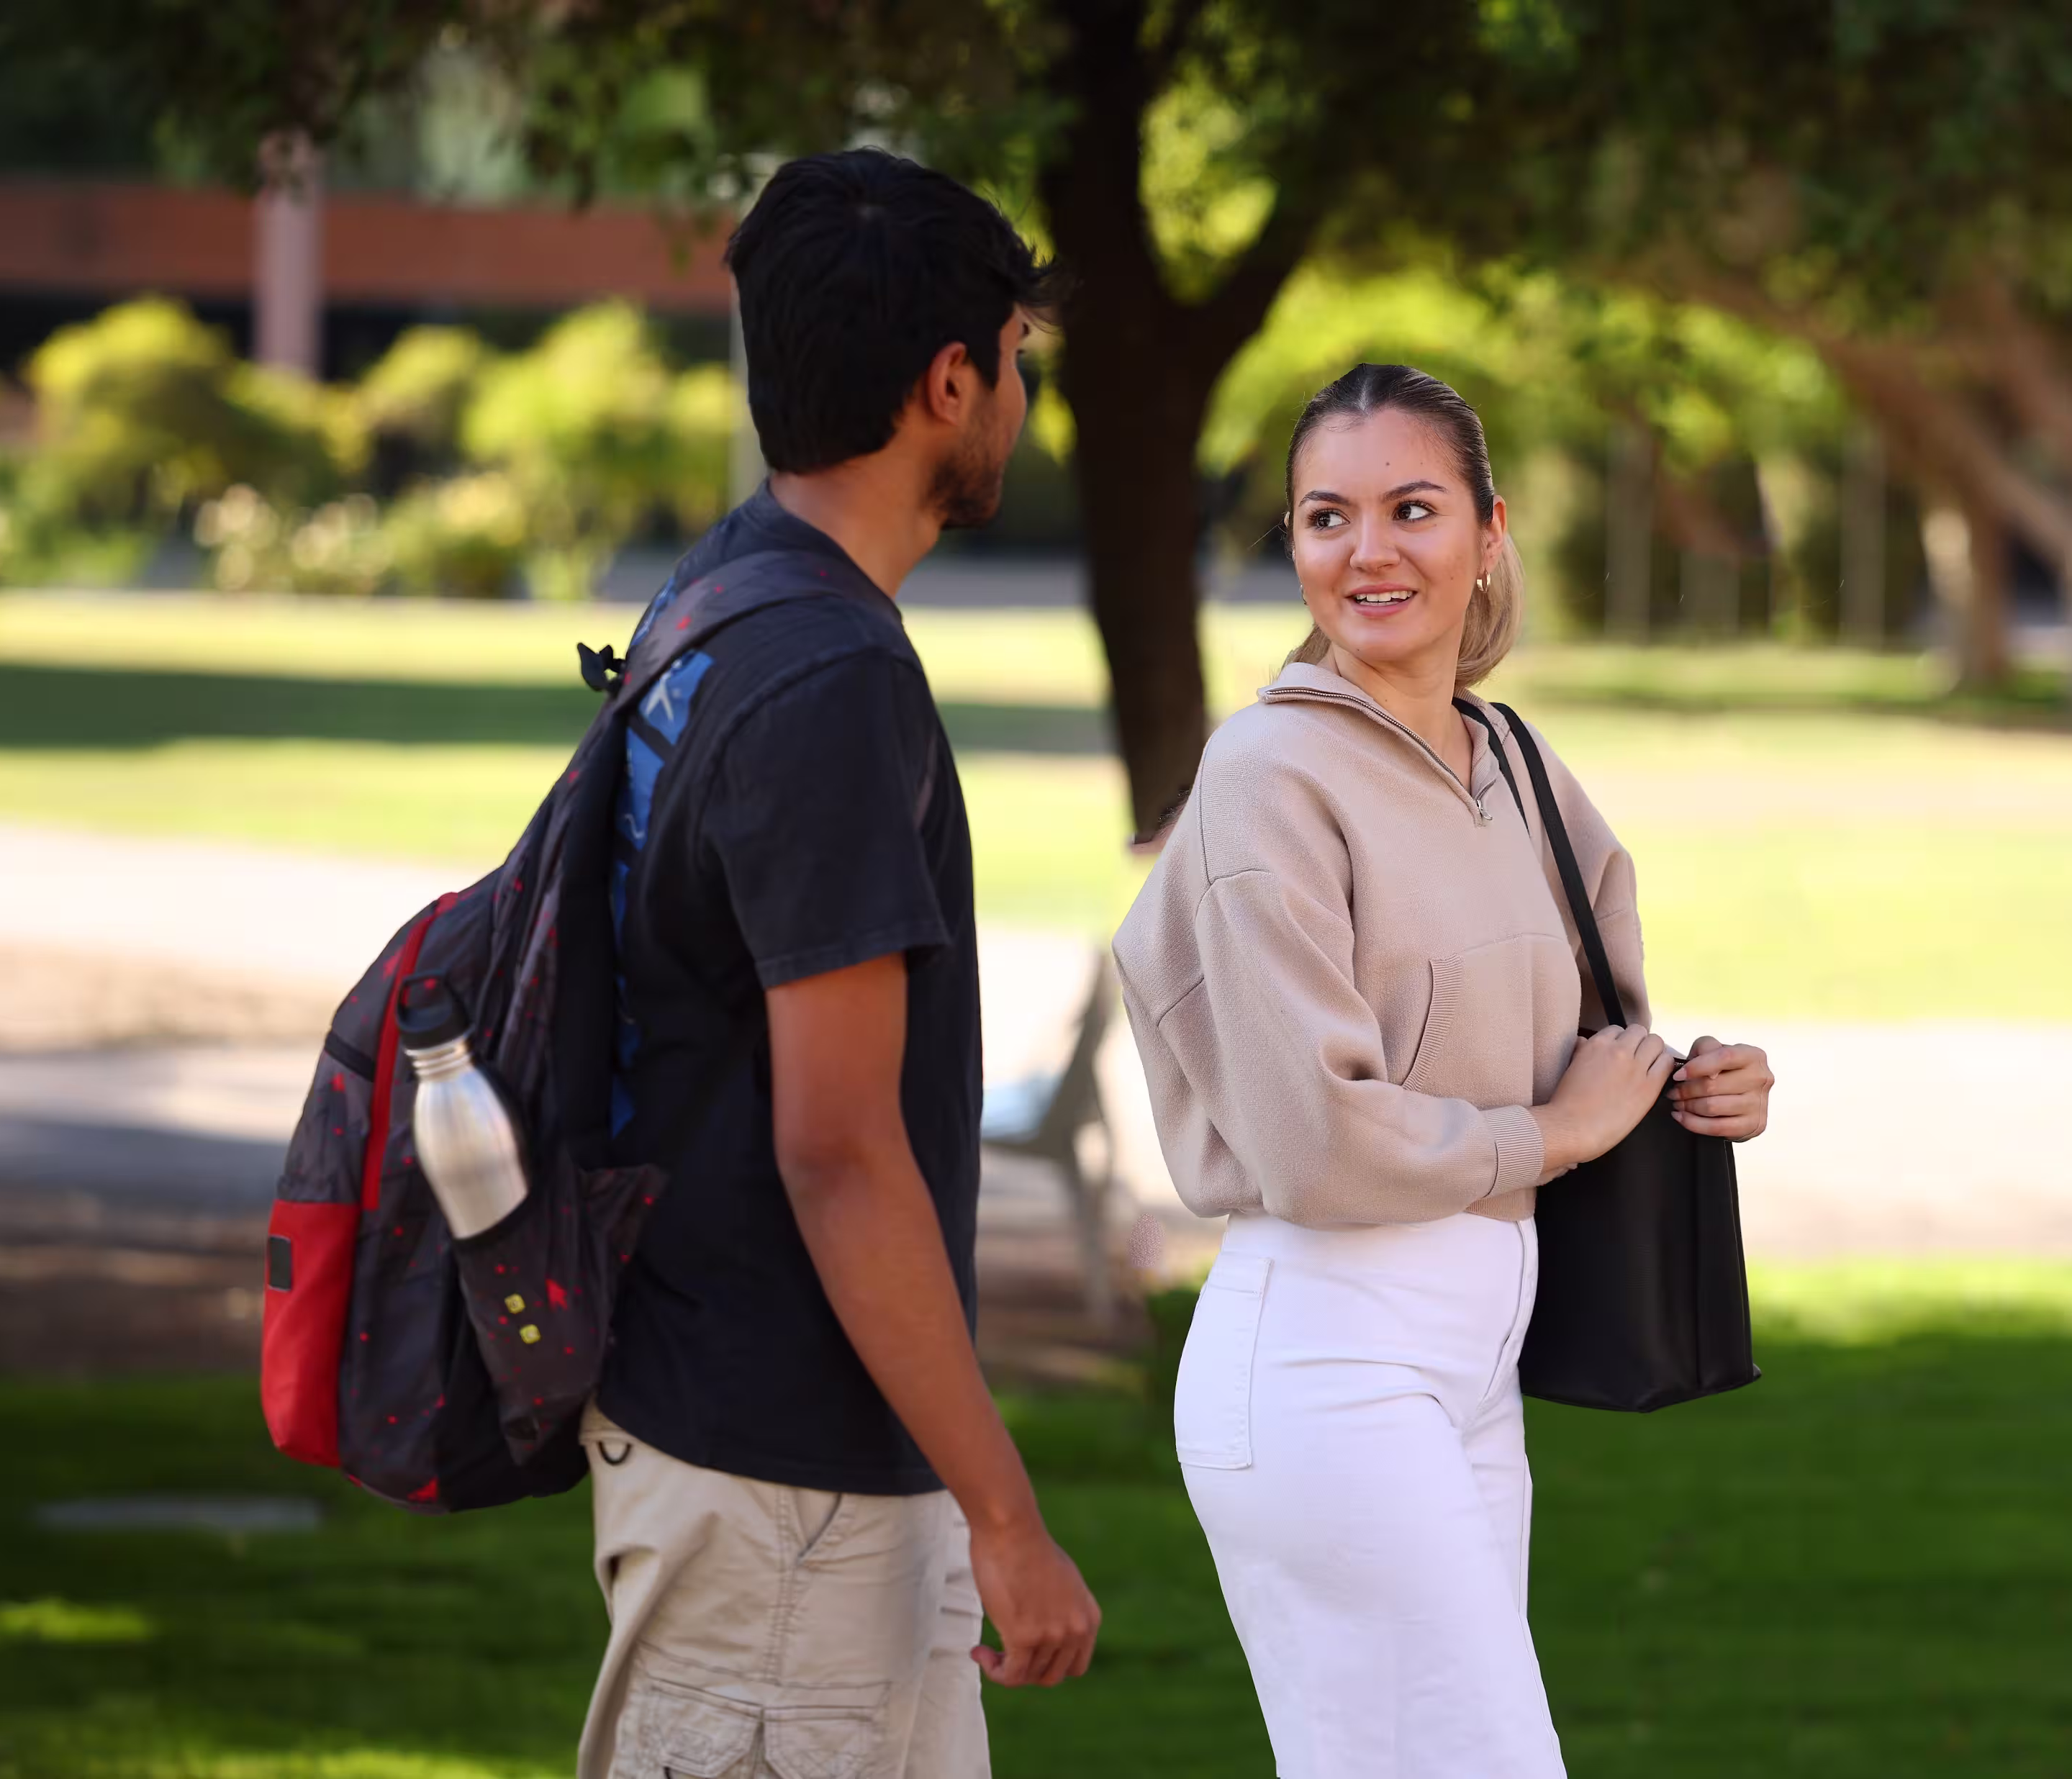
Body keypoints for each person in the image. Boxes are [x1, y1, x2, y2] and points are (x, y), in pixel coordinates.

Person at [1111, 363, 1779, 1776]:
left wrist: (1686, 1085)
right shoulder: (1269, 778)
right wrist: (1555, 1136)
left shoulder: (1513, 760)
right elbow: (1315, 1137)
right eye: (1325, 517)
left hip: (1470, 1360)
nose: (1367, 552)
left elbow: (1583, 1052)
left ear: (1488, 531)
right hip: (1326, 1352)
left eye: (1412, 509)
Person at [574, 148, 1100, 1779]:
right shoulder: (825, 680)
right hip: (789, 1500)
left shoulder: (721, 598)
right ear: (950, 383)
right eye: (1015, 363)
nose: (1021, 395)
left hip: (755, 1459)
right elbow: (840, 1149)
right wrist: (1006, 1517)